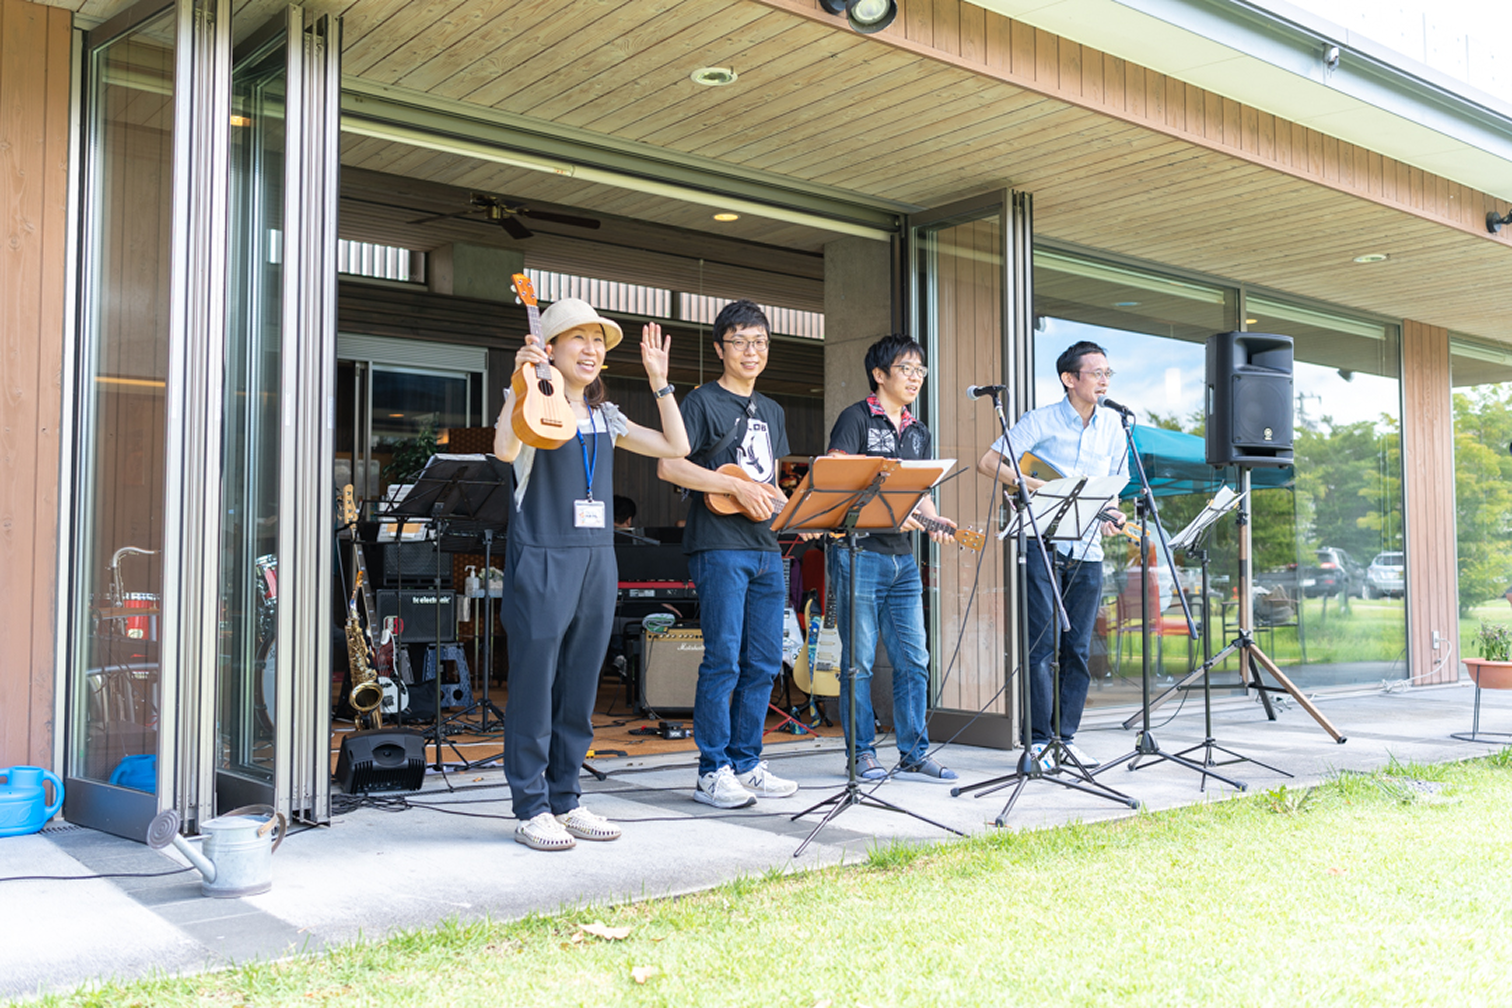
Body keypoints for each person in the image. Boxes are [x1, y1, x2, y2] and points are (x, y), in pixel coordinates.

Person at [494, 298, 689, 851]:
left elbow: (676, 446)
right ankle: (530, 806)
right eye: (578, 338)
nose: (591, 349)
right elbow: (505, 451)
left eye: (598, 341)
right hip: (542, 555)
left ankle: (567, 797)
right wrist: (519, 381)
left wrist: (660, 382)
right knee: (534, 685)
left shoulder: (607, 417)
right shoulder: (532, 406)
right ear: (549, 348)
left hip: (598, 557)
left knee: (581, 684)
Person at [657, 300, 800, 809]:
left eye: (759, 342)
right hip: (718, 546)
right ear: (719, 348)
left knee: (763, 661)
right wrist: (729, 487)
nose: (751, 351)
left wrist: (808, 513)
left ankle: (747, 761)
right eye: (740, 341)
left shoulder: (774, 410)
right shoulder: (700, 402)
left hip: (766, 549)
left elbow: (770, 483)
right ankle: (711, 771)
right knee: (723, 660)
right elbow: (670, 468)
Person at [975, 340, 1128, 770]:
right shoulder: (1039, 421)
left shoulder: (1116, 426)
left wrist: (1110, 510)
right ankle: (1039, 741)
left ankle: (1066, 738)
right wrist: (1039, 487)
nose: (1103, 380)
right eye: (1095, 373)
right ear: (1069, 378)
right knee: (1041, 648)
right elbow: (989, 461)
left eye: (1107, 374)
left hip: (1089, 549)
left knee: (1078, 647)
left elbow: (1116, 483)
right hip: (1041, 544)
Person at [825, 334, 959, 783]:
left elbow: (921, 495)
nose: (915, 377)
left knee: (914, 659)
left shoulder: (918, 431)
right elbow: (838, 485)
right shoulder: (855, 418)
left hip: (903, 561)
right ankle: (860, 753)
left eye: (920, 370)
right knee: (859, 661)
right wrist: (889, 513)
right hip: (858, 552)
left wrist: (937, 523)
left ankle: (914, 752)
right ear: (879, 374)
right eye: (906, 369)